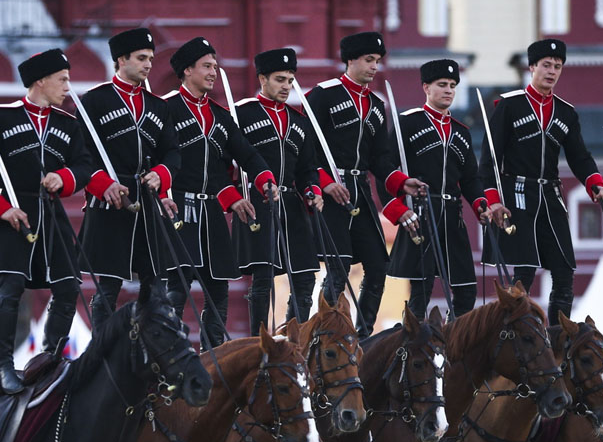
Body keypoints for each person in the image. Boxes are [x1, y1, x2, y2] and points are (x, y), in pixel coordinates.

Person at [0, 49, 93, 393]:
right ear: (40, 81)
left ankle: (49, 360)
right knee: (11, 289)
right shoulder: (0, 119)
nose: (68, 86)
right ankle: (6, 366)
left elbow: (83, 165)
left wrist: (64, 178)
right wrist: (0, 209)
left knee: (68, 287)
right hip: (13, 217)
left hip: (51, 214)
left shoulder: (68, 123)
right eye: (62, 79)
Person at [303, 31, 426, 337]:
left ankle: (362, 335)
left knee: (378, 265)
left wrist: (401, 181)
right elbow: (304, 149)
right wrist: (326, 183)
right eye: (369, 60)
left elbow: (380, 160)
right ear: (351, 60)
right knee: (339, 267)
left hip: (361, 193)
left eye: (377, 60)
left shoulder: (375, 104)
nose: (374, 66)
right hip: (331, 194)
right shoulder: (322, 95)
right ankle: (325, 333)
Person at [481, 39, 603, 326]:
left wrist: (594, 182)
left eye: (558, 66)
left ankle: (556, 338)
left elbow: (579, 156)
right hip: (518, 194)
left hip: (550, 196)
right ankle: (515, 332)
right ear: (532, 67)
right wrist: (493, 199)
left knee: (564, 271)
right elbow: (489, 159)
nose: (552, 71)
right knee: (524, 271)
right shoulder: (509, 105)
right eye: (546, 65)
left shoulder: (566, 112)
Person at [160, 37, 276, 347]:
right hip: (177, 207)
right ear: (187, 70)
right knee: (177, 286)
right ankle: (168, 355)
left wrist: (264, 179)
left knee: (218, 291)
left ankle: (214, 358)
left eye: (215, 66)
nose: (214, 72)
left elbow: (247, 156)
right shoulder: (166, 109)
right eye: (207, 66)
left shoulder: (221, 117)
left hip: (211, 214)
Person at [79, 27, 182, 333]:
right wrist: (102, 185)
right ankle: (101, 350)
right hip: (109, 202)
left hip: (148, 202)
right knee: (107, 289)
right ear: (121, 60)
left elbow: (172, 154)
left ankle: (157, 351)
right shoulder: (95, 101)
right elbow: (80, 156)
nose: (149, 64)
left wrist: (160, 175)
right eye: (141, 58)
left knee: (155, 286)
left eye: (150, 58)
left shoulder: (158, 106)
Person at [385, 59, 490, 318]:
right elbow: (383, 169)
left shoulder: (461, 132)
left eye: (453, 85)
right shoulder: (407, 123)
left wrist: (480, 204)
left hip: (452, 219)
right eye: (442, 85)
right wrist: (397, 209)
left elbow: (470, 179)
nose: (449, 90)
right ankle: (413, 347)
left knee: (466, 290)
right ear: (426, 88)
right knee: (421, 291)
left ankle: (458, 345)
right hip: (421, 215)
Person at [234, 47, 325, 334]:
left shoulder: (299, 121)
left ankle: (292, 336)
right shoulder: (242, 114)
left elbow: (308, 168)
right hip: (258, 202)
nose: (287, 86)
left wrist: (313, 190)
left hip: (293, 205)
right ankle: (256, 339)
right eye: (280, 80)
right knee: (263, 278)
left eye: (290, 80)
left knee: (305, 277)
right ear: (262, 78)